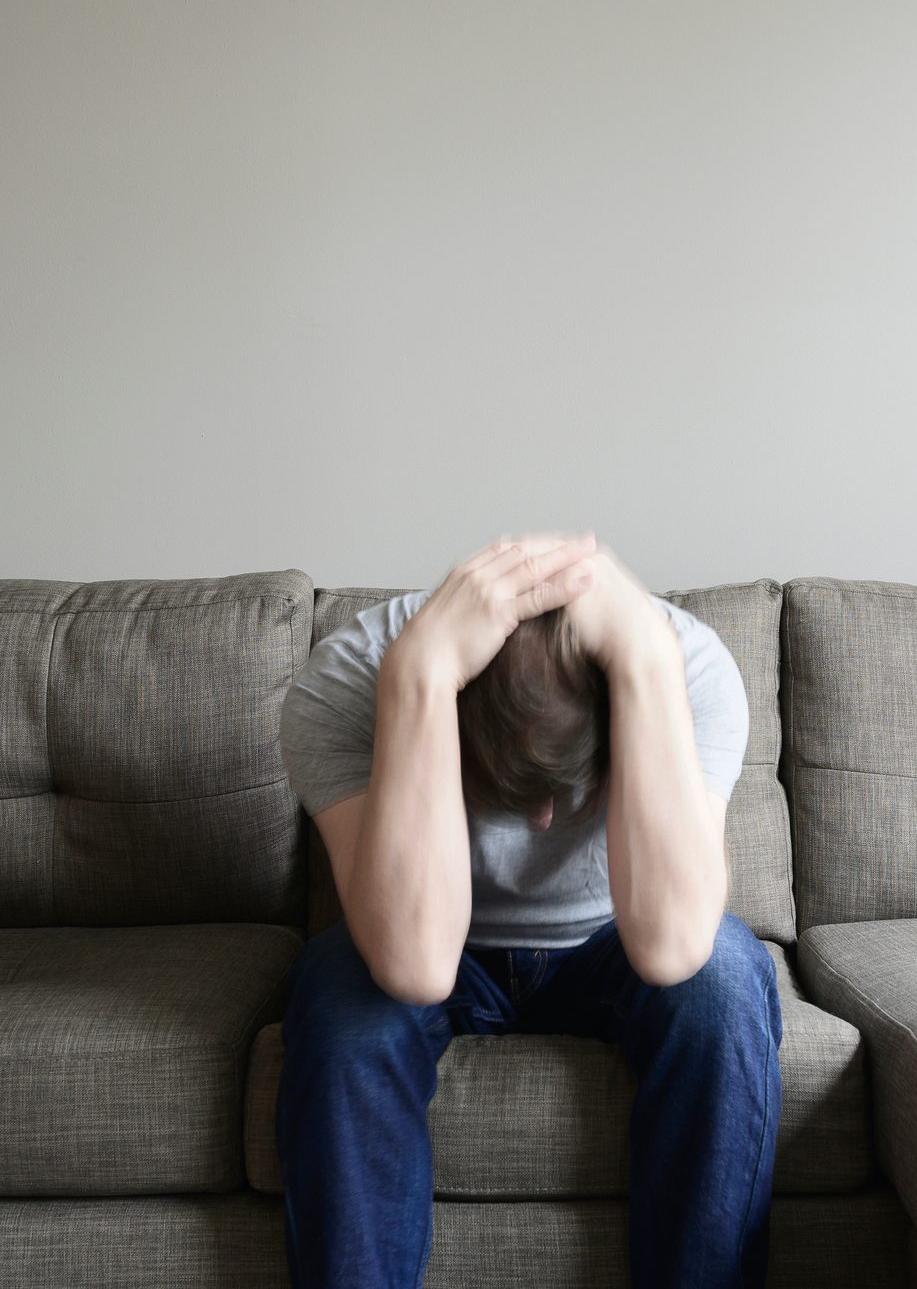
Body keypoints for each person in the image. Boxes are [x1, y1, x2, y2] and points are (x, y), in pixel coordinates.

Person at [274, 530, 782, 1289]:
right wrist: (419, 677)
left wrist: (644, 661)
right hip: (439, 946)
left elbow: (674, 946)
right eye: (507, 795)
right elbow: (412, 963)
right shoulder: (350, 682)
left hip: (617, 941)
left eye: (570, 793)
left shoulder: (686, 664)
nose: (542, 824)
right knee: (337, 999)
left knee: (728, 981)